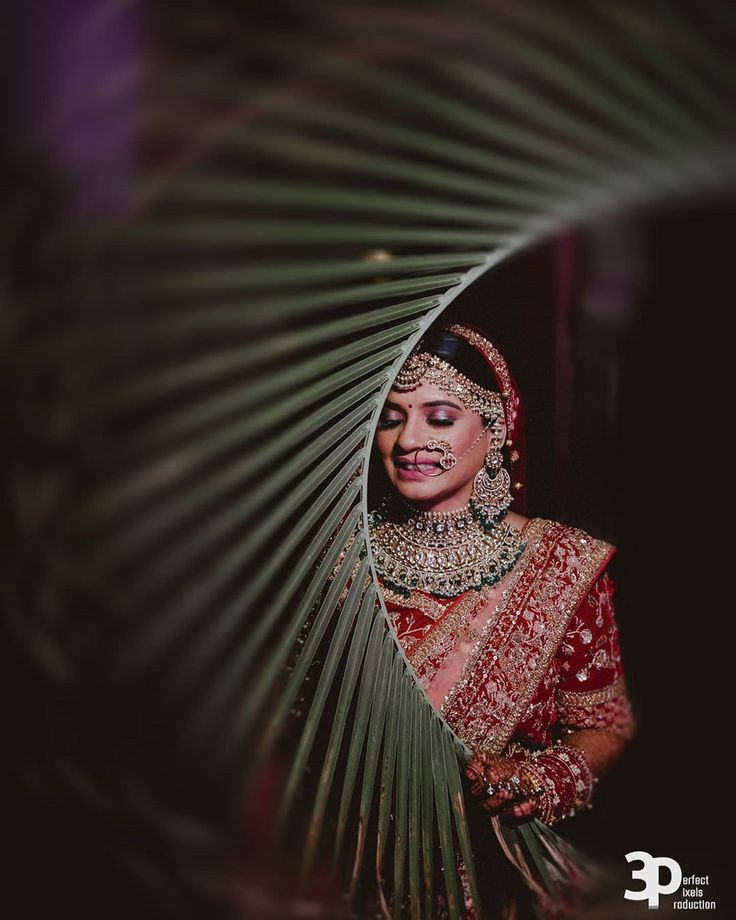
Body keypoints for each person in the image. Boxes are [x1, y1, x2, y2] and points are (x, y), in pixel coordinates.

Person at [368, 322, 636, 918]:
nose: (410, 438)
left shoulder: (562, 566)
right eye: (391, 417)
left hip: (491, 884)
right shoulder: (342, 567)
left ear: (496, 429)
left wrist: (539, 779)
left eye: (439, 418)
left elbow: (606, 725)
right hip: (345, 873)